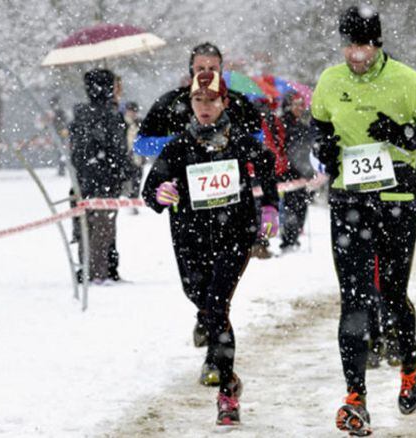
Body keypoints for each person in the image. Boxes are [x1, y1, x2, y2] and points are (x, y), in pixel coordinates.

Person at [312, 6, 416, 435]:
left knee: (391, 295)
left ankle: (410, 363)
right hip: (349, 198)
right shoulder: (329, 81)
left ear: (378, 43)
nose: (357, 55)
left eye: (365, 45)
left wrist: (404, 135)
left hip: (397, 198)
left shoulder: (407, 81)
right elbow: (317, 133)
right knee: (353, 298)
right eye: (350, 45)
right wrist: (327, 151)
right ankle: (356, 397)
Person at [143, 71, 279, 426]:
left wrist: (269, 208)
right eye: (198, 101)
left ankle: (227, 393)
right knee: (200, 299)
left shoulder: (239, 142)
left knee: (217, 306)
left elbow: (267, 168)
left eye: (212, 101)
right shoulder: (178, 146)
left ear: (224, 103)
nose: (205, 108)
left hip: (234, 234)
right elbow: (150, 191)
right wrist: (161, 194)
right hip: (190, 238)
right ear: (191, 104)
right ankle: (227, 373)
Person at [137, 42, 266, 346]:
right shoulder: (172, 103)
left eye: (213, 68)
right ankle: (206, 317)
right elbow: (141, 144)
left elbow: (260, 142)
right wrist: (184, 146)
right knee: (197, 289)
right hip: (189, 218)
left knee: (219, 293)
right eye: (200, 69)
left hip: (232, 213)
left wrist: (233, 149)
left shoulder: (236, 102)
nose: (207, 74)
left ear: (222, 70)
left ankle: (216, 353)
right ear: (190, 70)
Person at [69, 69, 131, 285]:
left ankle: (89, 267)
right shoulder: (111, 117)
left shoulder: (81, 115)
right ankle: (99, 271)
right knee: (103, 229)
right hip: (105, 182)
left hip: (84, 182)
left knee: (87, 227)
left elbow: (76, 153)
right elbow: (119, 151)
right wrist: (125, 174)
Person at [265, 91, 316, 252]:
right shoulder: (288, 126)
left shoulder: (291, 124)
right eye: (298, 104)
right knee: (293, 207)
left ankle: (291, 239)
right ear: (289, 105)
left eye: (303, 104)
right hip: (291, 174)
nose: (302, 107)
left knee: (296, 206)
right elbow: (294, 151)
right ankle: (289, 240)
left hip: (296, 172)